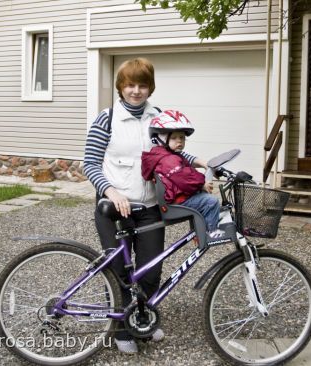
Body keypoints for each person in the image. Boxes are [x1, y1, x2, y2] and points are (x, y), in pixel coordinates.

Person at [83, 58, 208, 353]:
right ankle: (121, 330)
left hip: (150, 206)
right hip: (114, 208)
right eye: (130, 85)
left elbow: (171, 151)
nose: (136, 91)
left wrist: (200, 162)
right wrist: (110, 191)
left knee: (151, 272)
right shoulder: (106, 118)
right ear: (121, 87)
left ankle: (142, 317)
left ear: (150, 87)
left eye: (142, 85)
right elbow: (89, 163)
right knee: (119, 273)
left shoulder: (159, 117)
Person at [141, 110, 225, 238]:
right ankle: (211, 231)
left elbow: (186, 170)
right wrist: (201, 184)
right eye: (174, 138)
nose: (179, 141)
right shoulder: (168, 159)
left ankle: (204, 226)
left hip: (176, 198)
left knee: (204, 199)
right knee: (211, 201)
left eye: (182, 137)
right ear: (162, 139)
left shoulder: (164, 155)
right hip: (177, 202)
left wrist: (204, 169)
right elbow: (185, 178)